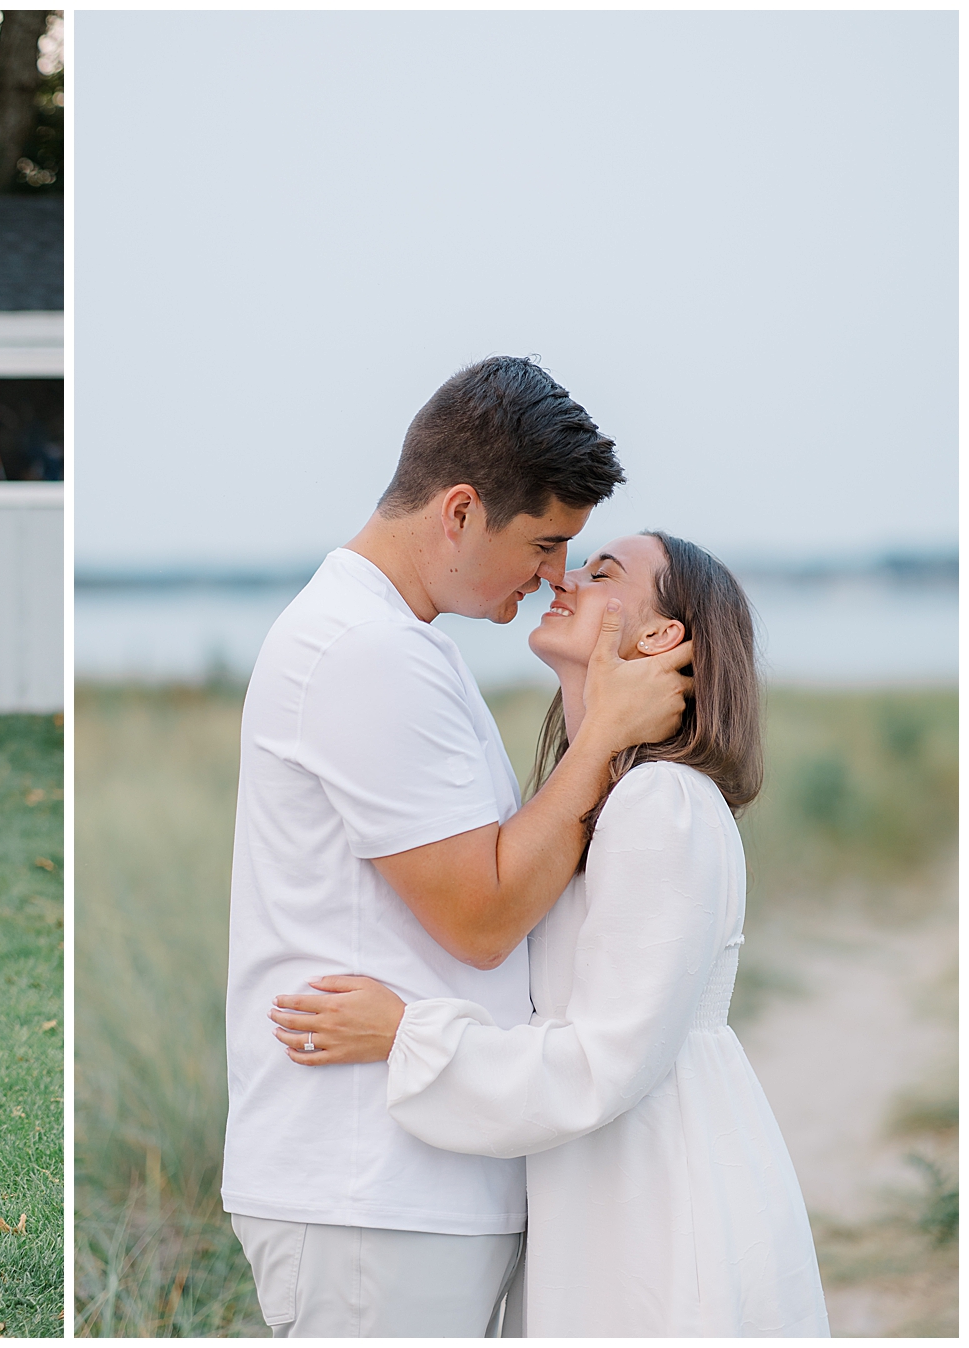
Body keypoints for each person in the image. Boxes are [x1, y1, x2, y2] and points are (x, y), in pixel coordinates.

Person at [222, 356, 694, 1337]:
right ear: (462, 511)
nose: (554, 575)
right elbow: (480, 917)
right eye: (546, 542)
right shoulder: (367, 650)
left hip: (410, 1179)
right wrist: (606, 734)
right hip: (369, 1184)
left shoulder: (398, 641)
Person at [270, 533, 830, 1336]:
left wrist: (406, 1035)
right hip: (605, 1179)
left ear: (660, 637)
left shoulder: (660, 804)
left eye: (603, 572)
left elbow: (605, 1060)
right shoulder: (601, 798)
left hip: (656, 1192)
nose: (564, 577)